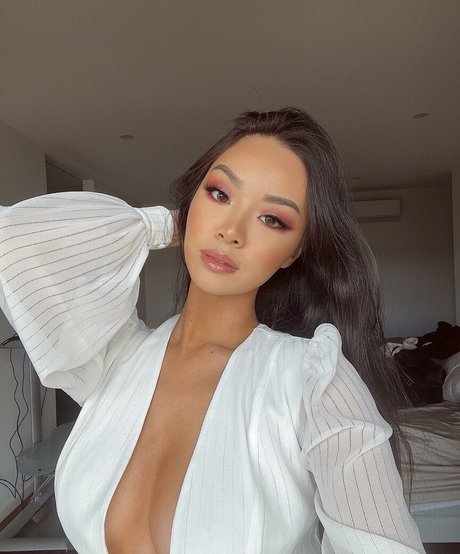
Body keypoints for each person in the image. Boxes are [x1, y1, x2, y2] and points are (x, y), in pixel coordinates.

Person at [0, 107, 425, 553]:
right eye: (219, 194)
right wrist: (169, 223)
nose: (231, 232)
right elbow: (11, 240)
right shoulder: (116, 357)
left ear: (293, 252)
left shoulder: (314, 383)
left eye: (272, 219)